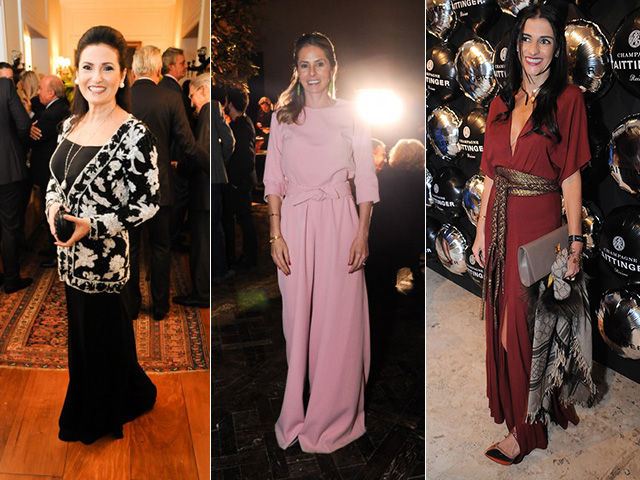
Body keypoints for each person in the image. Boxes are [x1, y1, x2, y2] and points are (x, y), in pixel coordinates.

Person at [471, 4, 590, 465]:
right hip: (499, 224)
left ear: (557, 49)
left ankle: (526, 432)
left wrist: (575, 242)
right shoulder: (500, 102)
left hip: (538, 230)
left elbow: (571, 176)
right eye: (526, 38)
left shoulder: (569, 99)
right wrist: (480, 230)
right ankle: (522, 408)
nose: (534, 49)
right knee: (504, 329)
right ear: (515, 45)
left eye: (544, 40)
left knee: (521, 332)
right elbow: (490, 175)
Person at [263, 32, 379, 453]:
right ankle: (296, 412)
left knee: (339, 322)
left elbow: (366, 178)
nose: (312, 72)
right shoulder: (282, 118)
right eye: (304, 64)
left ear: (332, 68)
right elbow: (272, 180)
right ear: (296, 70)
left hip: (340, 221)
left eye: (320, 64)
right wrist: (275, 233)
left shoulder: (353, 114)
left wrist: (362, 233)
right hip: (294, 223)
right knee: (296, 323)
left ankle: (334, 415)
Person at [45, 25, 160, 444]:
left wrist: (92, 225)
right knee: (82, 338)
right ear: (76, 74)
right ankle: (126, 391)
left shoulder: (135, 135)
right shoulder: (68, 125)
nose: (97, 77)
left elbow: (147, 204)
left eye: (108, 67)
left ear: (123, 74)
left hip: (106, 264)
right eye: (88, 67)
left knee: (104, 339)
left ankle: (99, 415)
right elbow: (55, 180)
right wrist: (52, 208)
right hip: (68, 260)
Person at [128, 45, 205, 320]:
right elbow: (188, 145)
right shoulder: (170, 98)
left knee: (131, 249)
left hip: (127, 188)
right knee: (161, 248)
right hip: (160, 185)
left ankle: (131, 307)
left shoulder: (121, 98)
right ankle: (160, 307)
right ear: (158, 69)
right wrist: (210, 162)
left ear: (134, 70)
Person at [173, 73, 214, 308]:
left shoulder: (207, 113)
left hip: (203, 193)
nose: (191, 104)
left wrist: (181, 165)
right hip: (207, 192)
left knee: (201, 248)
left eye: (192, 97)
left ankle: (201, 294)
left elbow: (201, 154)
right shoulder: (214, 113)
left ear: (203, 91)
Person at [366, 138, 425, 297]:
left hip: (384, 237)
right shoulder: (423, 179)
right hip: (414, 238)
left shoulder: (383, 176)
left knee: (381, 284)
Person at [29, 74, 70, 267]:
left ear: (51, 92)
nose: (37, 92)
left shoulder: (55, 111)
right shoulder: (55, 107)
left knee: (52, 213)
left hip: (50, 171)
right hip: (48, 170)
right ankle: (52, 247)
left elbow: (32, 137)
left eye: (40, 89)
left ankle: (57, 253)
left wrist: (28, 130)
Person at [0, 75, 32, 293]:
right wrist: (16, 145)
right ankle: (11, 279)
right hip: (7, 168)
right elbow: (24, 124)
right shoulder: (4, 86)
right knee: (9, 226)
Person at [159, 47, 193, 249]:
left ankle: (171, 235)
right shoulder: (173, 91)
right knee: (179, 197)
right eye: (182, 63)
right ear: (171, 66)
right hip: (176, 152)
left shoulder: (164, 87)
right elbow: (180, 128)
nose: (186, 66)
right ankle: (172, 237)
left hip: (168, 151)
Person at [223, 87, 258, 270]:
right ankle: (247, 256)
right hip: (242, 180)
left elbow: (246, 157)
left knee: (245, 220)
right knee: (244, 220)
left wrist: (235, 182)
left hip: (241, 181)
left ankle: (249, 258)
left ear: (230, 104)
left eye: (226, 101)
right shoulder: (243, 122)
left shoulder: (241, 125)